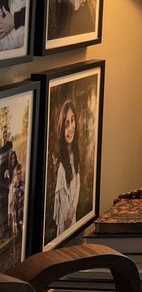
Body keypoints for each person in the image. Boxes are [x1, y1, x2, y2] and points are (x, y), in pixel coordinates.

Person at [53, 100, 81, 238]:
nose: (70, 128)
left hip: (73, 217)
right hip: (67, 225)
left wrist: (74, 206)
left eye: (72, 120)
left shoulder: (75, 154)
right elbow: (64, 213)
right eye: (66, 124)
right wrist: (70, 211)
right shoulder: (61, 170)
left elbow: (78, 183)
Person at [0, 111, 12, 238]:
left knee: (6, 204)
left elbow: (10, 160)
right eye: (3, 132)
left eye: (6, 132)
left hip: (6, 179)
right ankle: (3, 229)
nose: (5, 134)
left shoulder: (10, 145)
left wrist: (8, 170)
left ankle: (7, 229)